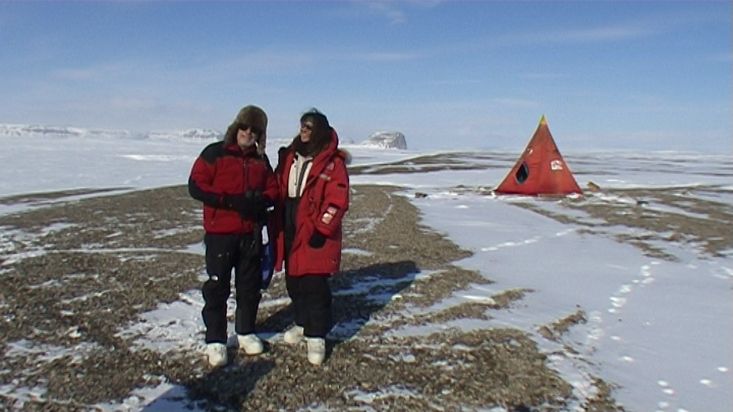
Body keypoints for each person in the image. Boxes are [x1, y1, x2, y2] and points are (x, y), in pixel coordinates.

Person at [188, 105, 278, 367]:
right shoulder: (215, 153)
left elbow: (273, 188)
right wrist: (228, 201)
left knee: (249, 287)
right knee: (217, 287)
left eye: (254, 131)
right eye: (244, 127)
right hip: (221, 234)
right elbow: (196, 185)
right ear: (236, 127)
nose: (248, 133)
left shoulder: (261, 160)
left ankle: (245, 332)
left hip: (249, 233)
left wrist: (260, 200)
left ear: (260, 136)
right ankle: (215, 340)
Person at [274, 108, 350, 365]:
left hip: (314, 226)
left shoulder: (332, 163)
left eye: (309, 126)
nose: (303, 130)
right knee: (294, 280)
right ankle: (302, 322)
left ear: (320, 130)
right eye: (302, 125)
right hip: (291, 222)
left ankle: (317, 336)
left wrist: (322, 229)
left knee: (314, 283)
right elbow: (279, 187)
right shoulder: (291, 156)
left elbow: (337, 200)